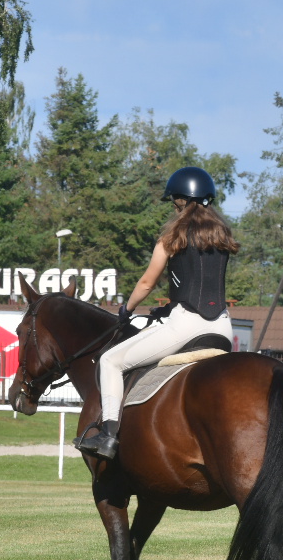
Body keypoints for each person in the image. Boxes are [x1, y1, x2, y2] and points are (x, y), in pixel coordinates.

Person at [74, 166, 239, 460]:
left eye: (174, 201)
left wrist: (127, 309)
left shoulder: (171, 237)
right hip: (224, 328)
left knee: (111, 361)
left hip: (186, 325)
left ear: (179, 200)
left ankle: (109, 436)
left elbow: (147, 282)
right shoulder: (222, 237)